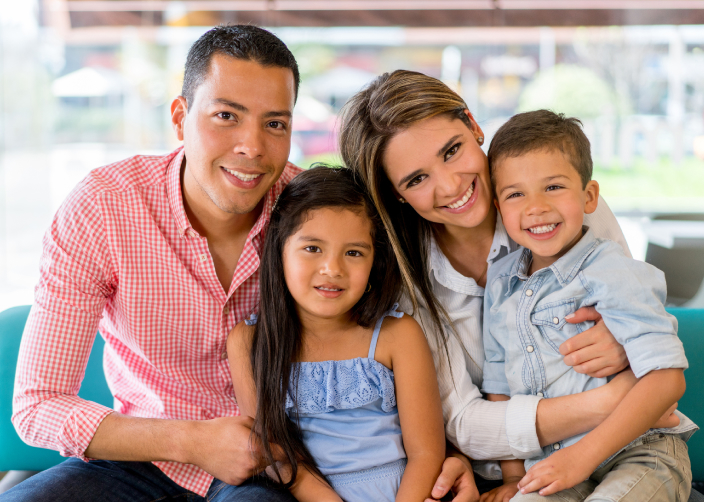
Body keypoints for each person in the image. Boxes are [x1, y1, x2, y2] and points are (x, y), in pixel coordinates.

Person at [338, 69, 688, 501]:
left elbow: (641, 328)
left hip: (630, 448)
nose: (450, 185)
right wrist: (613, 397)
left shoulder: (564, 204)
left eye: (452, 151)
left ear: (473, 125)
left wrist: (625, 344)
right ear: (396, 194)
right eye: (416, 179)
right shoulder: (405, 281)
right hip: (538, 467)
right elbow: (465, 424)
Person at [5, 25, 303, 501]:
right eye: (226, 116)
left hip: (267, 463)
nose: (252, 146)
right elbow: (38, 405)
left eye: (275, 124)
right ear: (180, 118)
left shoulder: (311, 212)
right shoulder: (104, 207)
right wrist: (192, 442)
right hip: (142, 454)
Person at [481, 110, 696, 502]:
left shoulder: (614, 270)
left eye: (553, 187)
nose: (535, 207)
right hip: (554, 461)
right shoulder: (500, 285)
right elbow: (499, 393)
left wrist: (581, 458)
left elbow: (668, 379)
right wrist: (513, 479)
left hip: (641, 450)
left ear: (589, 196)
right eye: (516, 194)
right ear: (499, 207)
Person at [227, 166, 446, 502]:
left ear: (375, 261)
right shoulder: (249, 342)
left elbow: (426, 454)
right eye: (313, 248)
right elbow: (277, 457)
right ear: (279, 249)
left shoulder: (397, 335)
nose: (333, 269)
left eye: (354, 253)